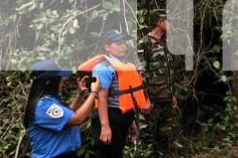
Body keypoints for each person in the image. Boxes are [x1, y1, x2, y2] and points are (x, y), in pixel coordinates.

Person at [81, 30, 151, 158]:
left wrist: (130, 122)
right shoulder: (103, 68)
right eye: (118, 43)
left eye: (124, 42)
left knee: (117, 153)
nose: (123, 46)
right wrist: (105, 127)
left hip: (123, 118)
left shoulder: (125, 65)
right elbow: (102, 97)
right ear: (107, 47)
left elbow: (126, 97)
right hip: (109, 117)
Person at [24, 59, 101, 158]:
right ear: (50, 82)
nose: (62, 82)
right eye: (60, 79)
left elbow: (66, 116)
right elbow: (77, 119)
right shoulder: (43, 106)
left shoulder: (50, 100)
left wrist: (80, 95)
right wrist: (94, 93)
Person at [137, 10, 177, 158]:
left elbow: (167, 72)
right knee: (146, 138)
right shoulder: (144, 43)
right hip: (151, 101)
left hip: (166, 98)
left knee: (164, 138)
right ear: (159, 23)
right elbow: (140, 73)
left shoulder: (165, 43)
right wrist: (145, 98)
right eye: (168, 21)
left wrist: (172, 95)